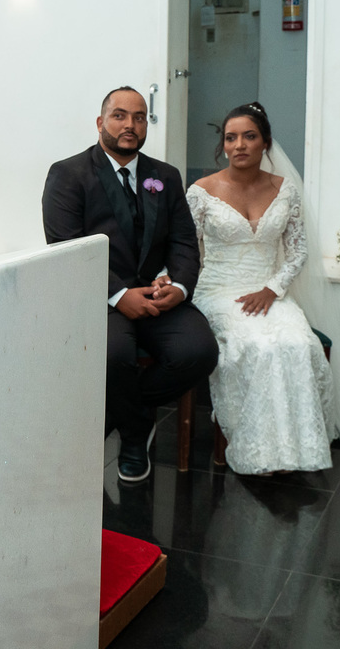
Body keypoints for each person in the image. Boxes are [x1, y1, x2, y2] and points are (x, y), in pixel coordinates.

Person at [42, 86, 218, 482]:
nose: (130, 125)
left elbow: (184, 242)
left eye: (139, 117)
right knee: (113, 356)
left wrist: (179, 287)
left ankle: (121, 416)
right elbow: (65, 247)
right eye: (120, 115)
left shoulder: (165, 176)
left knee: (200, 351)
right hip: (99, 296)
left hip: (158, 296)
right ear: (100, 122)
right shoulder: (68, 174)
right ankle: (137, 434)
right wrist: (118, 295)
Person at [186, 102, 336, 475]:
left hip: (269, 291)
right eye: (231, 138)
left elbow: (298, 251)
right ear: (223, 145)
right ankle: (258, 448)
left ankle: (294, 449)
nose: (239, 145)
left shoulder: (286, 190)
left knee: (297, 344)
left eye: (249, 136)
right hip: (219, 291)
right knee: (259, 347)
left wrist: (272, 289)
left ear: (265, 142)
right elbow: (184, 250)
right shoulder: (201, 191)